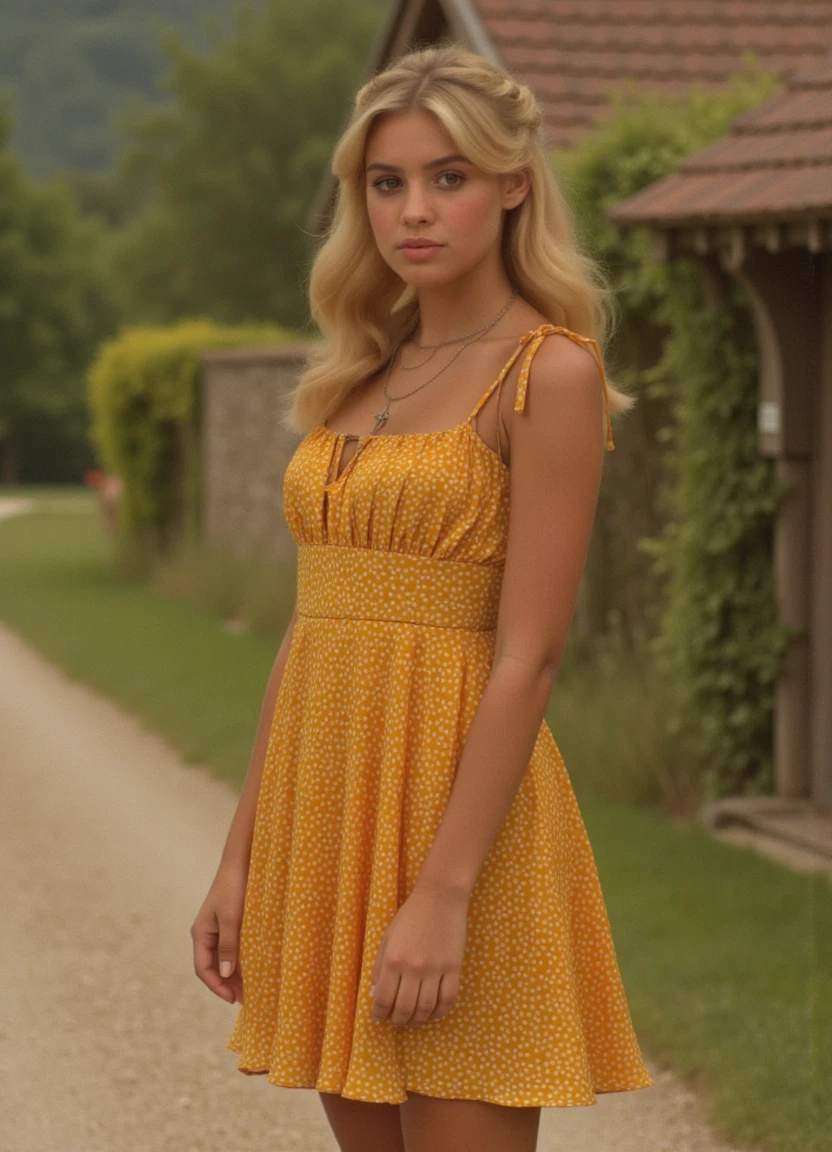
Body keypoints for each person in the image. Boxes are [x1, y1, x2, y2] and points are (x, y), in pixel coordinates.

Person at [191, 41, 654, 1152]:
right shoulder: (355, 373)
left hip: (462, 829)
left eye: (447, 177)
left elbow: (528, 656)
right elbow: (313, 633)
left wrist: (442, 892)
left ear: (512, 184)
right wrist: (242, 856)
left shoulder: (547, 373)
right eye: (387, 183)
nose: (414, 210)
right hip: (329, 818)